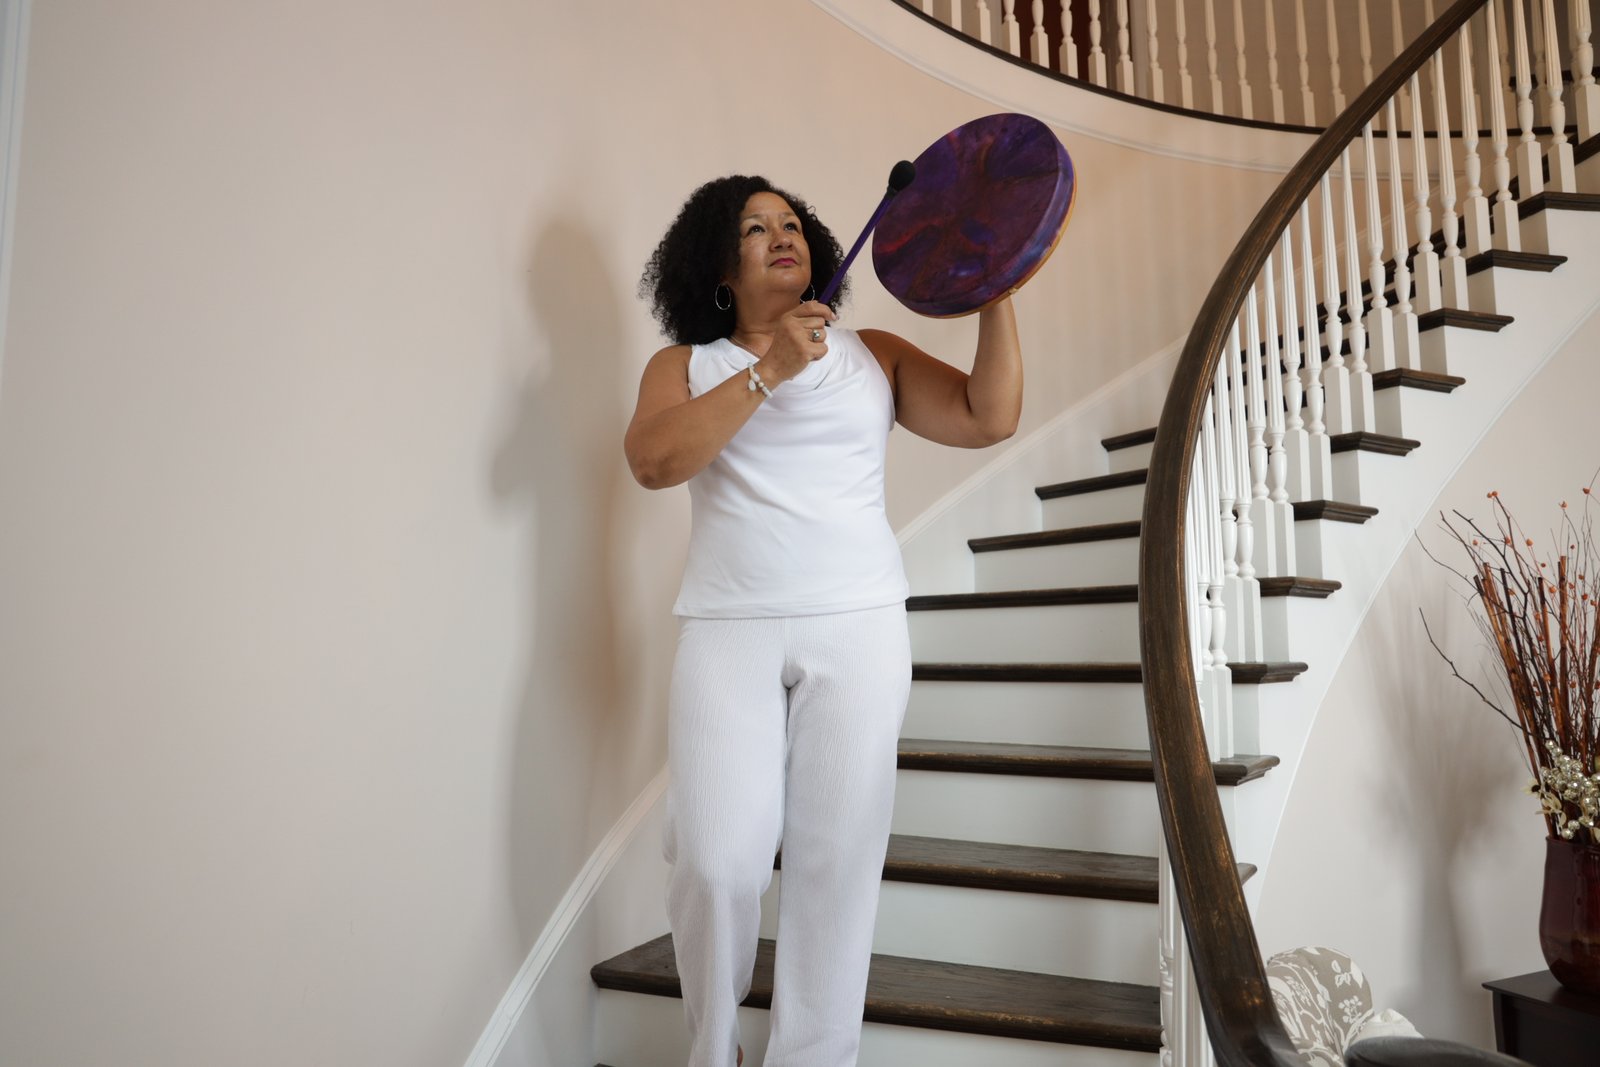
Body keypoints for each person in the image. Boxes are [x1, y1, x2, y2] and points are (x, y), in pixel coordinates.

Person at [624, 174, 1022, 1067]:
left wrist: (996, 295)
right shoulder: (687, 366)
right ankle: (714, 1051)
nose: (780, 235)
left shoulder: (871, 353)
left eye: (792, 223)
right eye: (754, 226)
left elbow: (987, 415)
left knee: (835, 869)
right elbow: (653, 461)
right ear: (719, 267)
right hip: (729, 628)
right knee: (719, 862)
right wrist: (770, 369)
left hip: (860, 627)